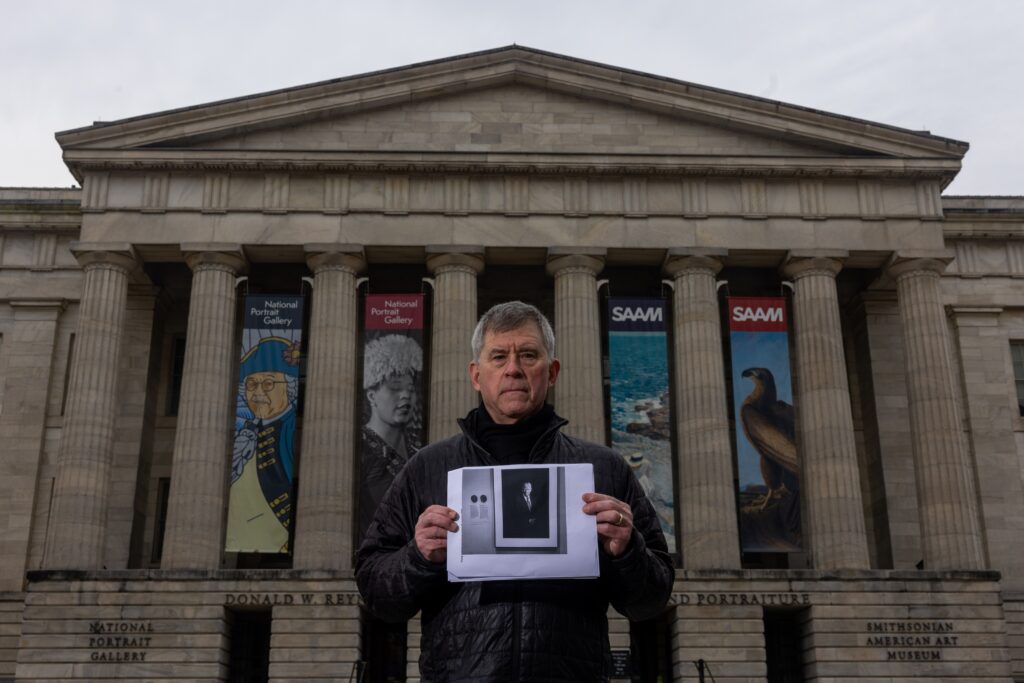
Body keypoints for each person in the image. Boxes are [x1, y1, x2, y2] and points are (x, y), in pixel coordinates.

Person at [357, 301, 674, 682]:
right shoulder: (426, 467)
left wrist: (628, 551)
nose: (513, 369)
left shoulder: (603, 469)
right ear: (476, 375)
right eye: (498, 357)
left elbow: (651, 600)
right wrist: (418, 556)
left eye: (528, 355)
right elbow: (375, 589)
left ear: (552, 371)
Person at [227, 337, 300, 552]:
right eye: (251, 384)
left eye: (268, 383)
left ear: (290, 386)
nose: (258, 393)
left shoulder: (286, 429)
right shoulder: (247, 433)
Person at [358, 333, 423, 537]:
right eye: (395, 387)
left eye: (410, 389)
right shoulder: (359, 448)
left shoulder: (419, 448)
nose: (405, 395)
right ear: (371, 395)